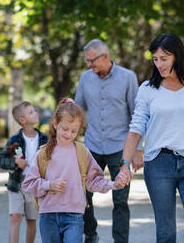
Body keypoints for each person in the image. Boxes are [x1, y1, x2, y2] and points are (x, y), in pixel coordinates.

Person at [119, 33, 184, 243]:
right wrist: (125, 164)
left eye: (164, 59)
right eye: (155, 59)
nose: (159, 64)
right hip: (158, 164)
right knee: (165, 234)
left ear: (177, 56)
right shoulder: (148, 89)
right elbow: (136, 129)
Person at [21, 98, 127, 243]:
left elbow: (93, 180)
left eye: (74, 131)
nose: (69, 134)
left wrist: (114, 184)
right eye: (65, 129)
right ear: (55, 124)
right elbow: (28, 184)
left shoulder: (82, 152)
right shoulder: (43, 153)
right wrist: (49, 185)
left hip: (75, 216)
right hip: (48, 215)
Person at [75, 39, 143, 243]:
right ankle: (90, 232)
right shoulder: (85, 79)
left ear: (105, 56)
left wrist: (138, 149)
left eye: (91, 61)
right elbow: (76, 110)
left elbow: (137, 115)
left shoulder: (128, 77)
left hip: (120, 148)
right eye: (87, 61)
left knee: (121, 200)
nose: (89, 65)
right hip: (92, 146)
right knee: (83, 195)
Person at [0, 101, 48, 243]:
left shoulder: (45, 139)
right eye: (31, 112)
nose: (36, 113)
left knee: (32, 221)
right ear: (22, 120)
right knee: (15, 217)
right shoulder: (14, 140)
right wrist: (15, 162)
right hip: (16, 185)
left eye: (35, 111)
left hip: (34, 185)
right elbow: (1, 161)